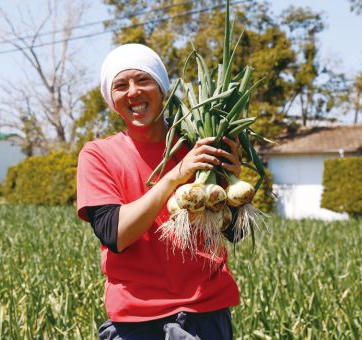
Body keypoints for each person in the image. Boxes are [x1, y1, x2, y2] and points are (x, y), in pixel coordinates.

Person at [76, 43, 244, 339]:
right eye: (120, 85)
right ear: (111, 99)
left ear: (162, 88)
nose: (133, 92)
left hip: (204, 312)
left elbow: (233, 232)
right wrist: (174, 178)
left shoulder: (199, 144)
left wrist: (231, 180)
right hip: (136, 319)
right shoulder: (98, 155)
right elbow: (116, 235)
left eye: (143, 80)